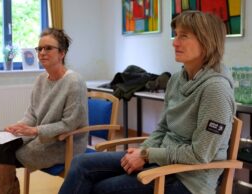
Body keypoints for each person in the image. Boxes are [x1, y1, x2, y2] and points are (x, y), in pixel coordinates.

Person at [59, 11, 235, 194]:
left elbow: (200, 155)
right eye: (175, 35)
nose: (175, 42)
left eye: (184, 36)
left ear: (207, 42)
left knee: (103, 189)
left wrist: (146, 154)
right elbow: (162, 129)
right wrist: (142, 152)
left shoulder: (216, 90)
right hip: (162, 160)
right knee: (81, 164)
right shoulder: (176, 79)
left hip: (190, 179)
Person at [0, 28, 88, 194]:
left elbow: (70, 124)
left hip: (65, 142)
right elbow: (33, 114)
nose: (42, 53)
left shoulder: (74, 82)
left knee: (5, 155)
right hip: (42, 135)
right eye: (39, 49)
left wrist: (34, 130)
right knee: (3, 144)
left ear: (62, 53)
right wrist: (19, 126)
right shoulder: (41, 79)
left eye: (48, 48)